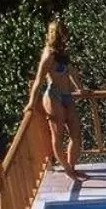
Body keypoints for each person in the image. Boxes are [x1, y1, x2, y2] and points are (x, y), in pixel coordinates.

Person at [32, 21, 90, 182]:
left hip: (67, 95)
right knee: (58, 136)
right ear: (57, 35)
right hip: (53, 96)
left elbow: (71, 71)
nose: (66, 37)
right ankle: (68, 170)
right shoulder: (49, 55)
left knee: (76, 133)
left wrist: (81, 88)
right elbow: (38, 81)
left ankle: (72, 167)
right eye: (63, 34)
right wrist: (30, 104)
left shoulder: (62, 53)